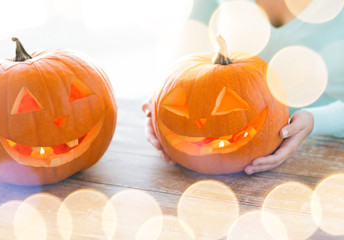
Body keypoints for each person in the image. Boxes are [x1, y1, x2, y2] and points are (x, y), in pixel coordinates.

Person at [142, 0, 344, 175]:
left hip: (326, 154)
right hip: (220, 169)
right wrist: (160, 106)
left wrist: (315, 121)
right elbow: (183, 60)